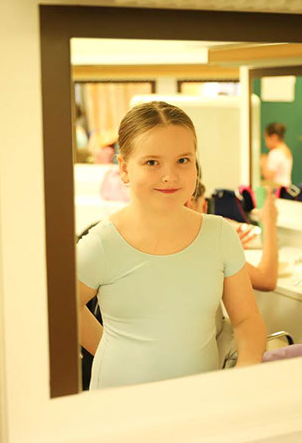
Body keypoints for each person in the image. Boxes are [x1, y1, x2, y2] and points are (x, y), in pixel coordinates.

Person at [76, 101, 266, 389]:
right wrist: (111, 349)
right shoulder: (102, 243)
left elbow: (247, 320)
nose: (170, 176)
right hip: (120, 400)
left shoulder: (219, 236)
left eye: (183, 160)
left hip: (199, 398)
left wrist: (246, 369)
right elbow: (60, 309)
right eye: (152, 162)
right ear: (124, 169)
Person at [185, 180, 279, 292]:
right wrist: (269, 220)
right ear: (189, 204)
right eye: (204, 206)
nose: (206, 211)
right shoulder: (206, 246)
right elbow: (266, 280)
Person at [260, 122, 293, 187]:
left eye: (266, 138)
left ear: (274, 137)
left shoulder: (275, 153)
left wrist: (263, 163)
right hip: (286, 186)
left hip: (277, 188)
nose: (265, 143)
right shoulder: (286, 150)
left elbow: (268, 176)